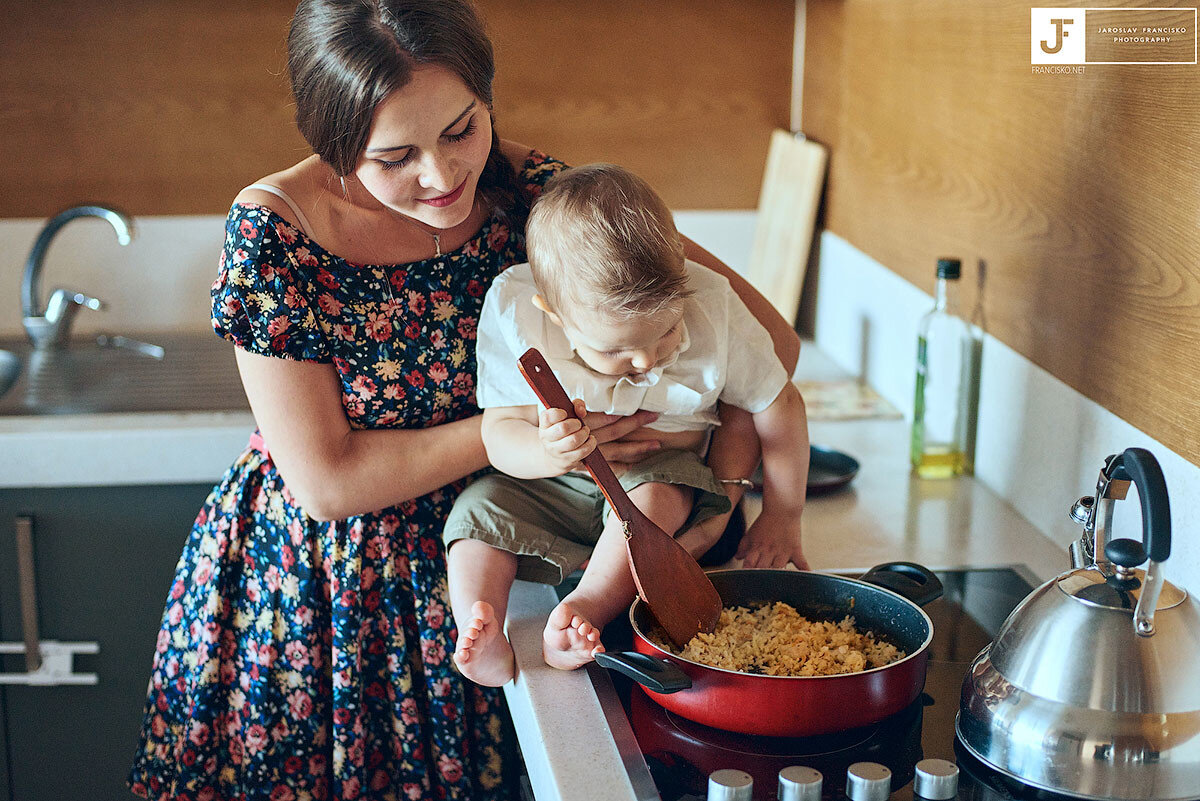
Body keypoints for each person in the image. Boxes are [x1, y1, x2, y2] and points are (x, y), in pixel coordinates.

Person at [128, 2, 800, 799]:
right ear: (332, 142)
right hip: (331, 597)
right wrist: (508, 432)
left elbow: (762, 339)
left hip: (517, 564)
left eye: (461, 129)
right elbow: (329, 482)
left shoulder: (534, 195)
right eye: (394, 156)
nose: (443, 177)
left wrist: (723, 480)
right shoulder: (277, 236)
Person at [444, 164, 810, 687]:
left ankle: (584, 608)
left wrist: (783, 511)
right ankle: (483, 628)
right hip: (552, 485)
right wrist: (547, 452)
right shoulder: (514, 310)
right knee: (475, 513)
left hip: (656, 473)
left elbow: (779, 404)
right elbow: (497, 432)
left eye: (665, 332)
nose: (645, 361)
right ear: (554, 313)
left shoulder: (714, 305)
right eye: (614, 349)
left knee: (660, 496)